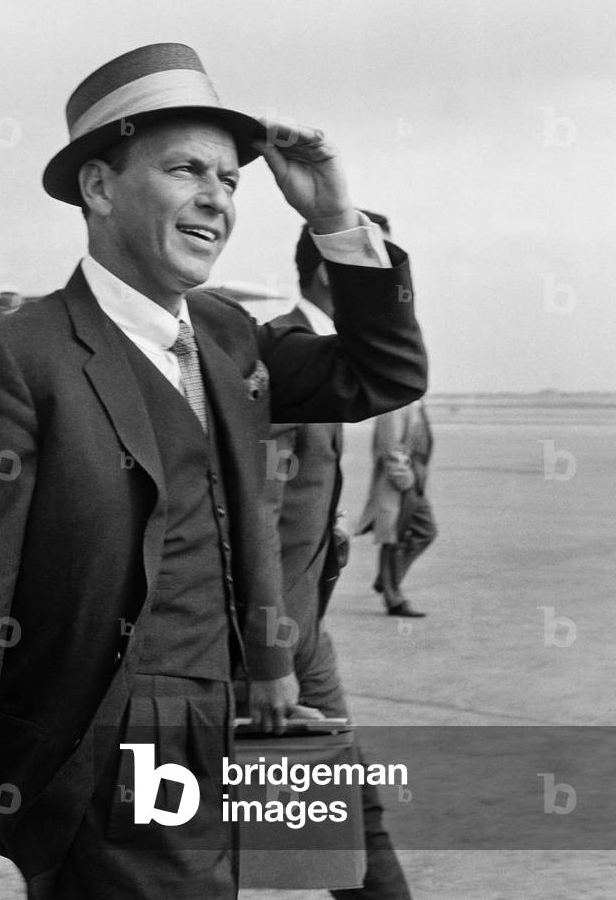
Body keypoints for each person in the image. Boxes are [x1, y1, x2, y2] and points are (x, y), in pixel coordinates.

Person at [0, 42, 427, 899]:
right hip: (109, 754)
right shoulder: (20, 359)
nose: (217, 197)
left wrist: (332, 213)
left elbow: (383, 373)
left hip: (229, 720)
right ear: (100, 188)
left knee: (337, 849)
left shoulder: (225, 335)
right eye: (185, 170)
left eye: (230, 179)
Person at [261, 217, 413, 898]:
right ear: (331, 271)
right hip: (262, 641)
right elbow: (253, 517)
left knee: (348, 816)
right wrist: (266, 658)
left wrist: (329, 531)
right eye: (374, 264)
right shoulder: (282, 354)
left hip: (303, 630)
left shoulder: (321, 353)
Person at [357, 397, 436, 617]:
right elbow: (390, 448)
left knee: (426, 531)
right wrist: (405, 481)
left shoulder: (414, 401)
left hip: (414, 482)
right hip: (400, 483)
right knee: (393, 538)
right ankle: (394, 599)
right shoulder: (394, 404)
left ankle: (387, 579)